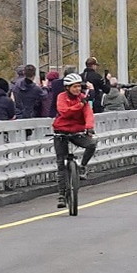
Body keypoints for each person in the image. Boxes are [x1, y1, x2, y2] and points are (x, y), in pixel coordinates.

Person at [52, 73, 97, 209]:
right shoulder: (61, 97)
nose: (78, 89)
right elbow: (64, 112)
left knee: (92, 144)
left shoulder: (83, 98)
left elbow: (88, 114)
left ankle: (82, 166)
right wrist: (79, 105)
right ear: (67, 88)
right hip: (61, 131)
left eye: (79, 86)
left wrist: (89, 127)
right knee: (61, 164)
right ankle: (61, 195)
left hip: (77, 131)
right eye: (74, 87)